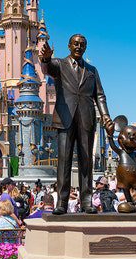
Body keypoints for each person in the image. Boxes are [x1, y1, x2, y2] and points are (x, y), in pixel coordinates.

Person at [40, 34, 113, 215]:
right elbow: (47, 68)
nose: (79, 47)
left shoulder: (92, 70)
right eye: (76, 44)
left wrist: (106, 116)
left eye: (82, 44)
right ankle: (62, 202)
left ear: (85, 47)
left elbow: (100, 96)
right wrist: (46, 58)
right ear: (69, 46)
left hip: (86, 118)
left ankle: (87, 201)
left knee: (86, 160)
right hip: (65, 117)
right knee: (64, 160)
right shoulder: (59, 64)